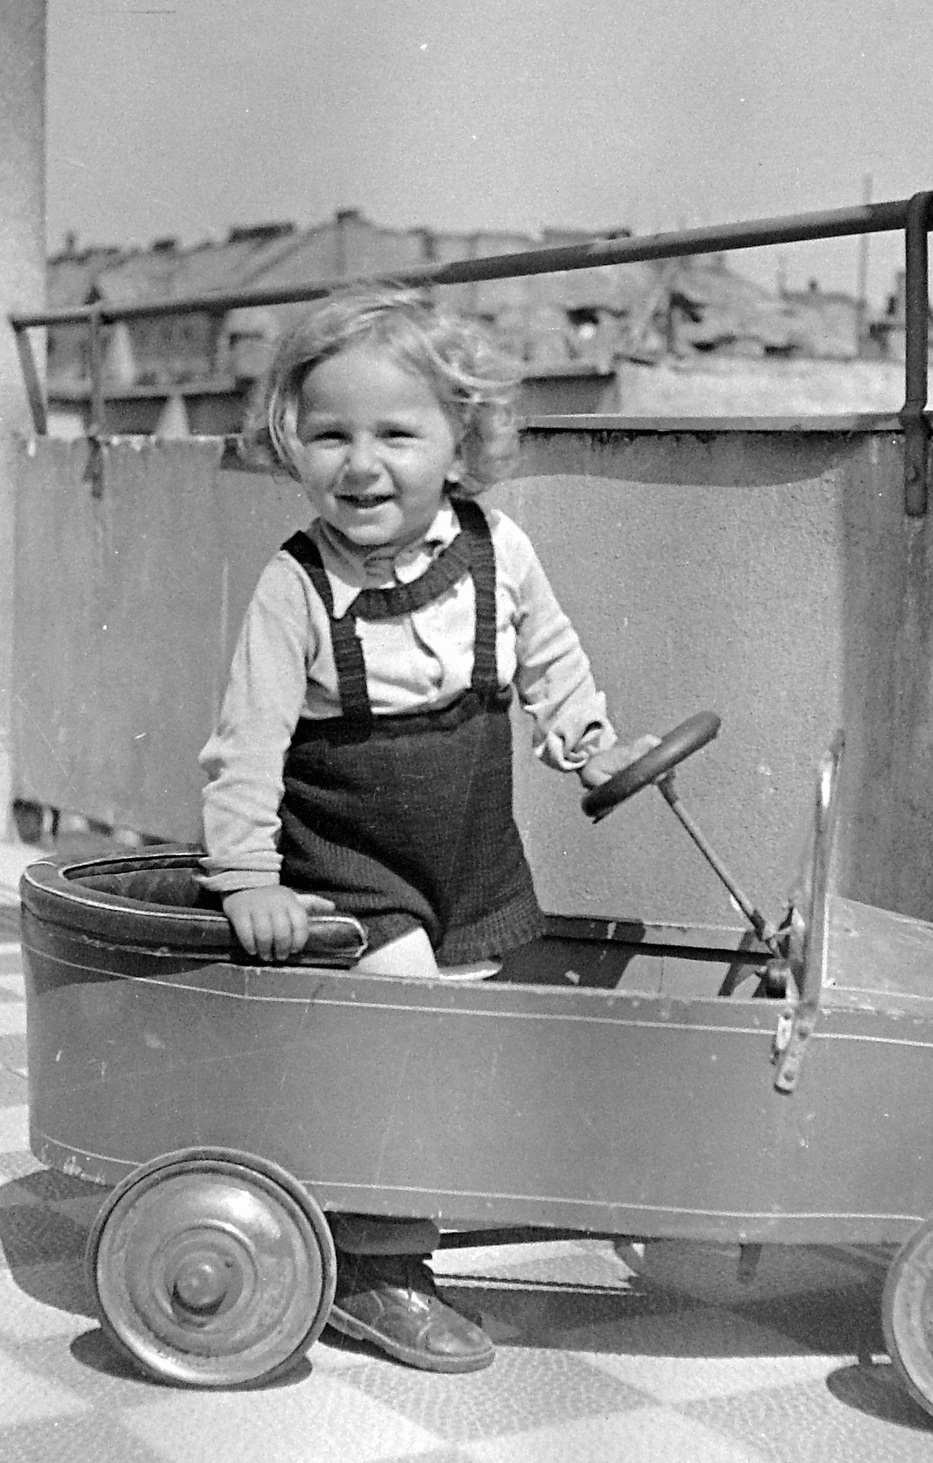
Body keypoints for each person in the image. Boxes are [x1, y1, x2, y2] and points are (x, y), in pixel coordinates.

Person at [198, 283, 652, 1372]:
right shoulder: (296, 587)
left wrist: (588, 741)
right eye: (330, 435)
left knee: (450, 1042)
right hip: (349, 864)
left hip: (468, 857)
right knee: (403, 1038)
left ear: (461, 440)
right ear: (291, 443)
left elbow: (550, 658)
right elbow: (246, 744)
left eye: (396, 435)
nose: (362, 464)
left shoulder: (499, 551)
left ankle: (396, 1203)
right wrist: (247, 877)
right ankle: (377, 1270)